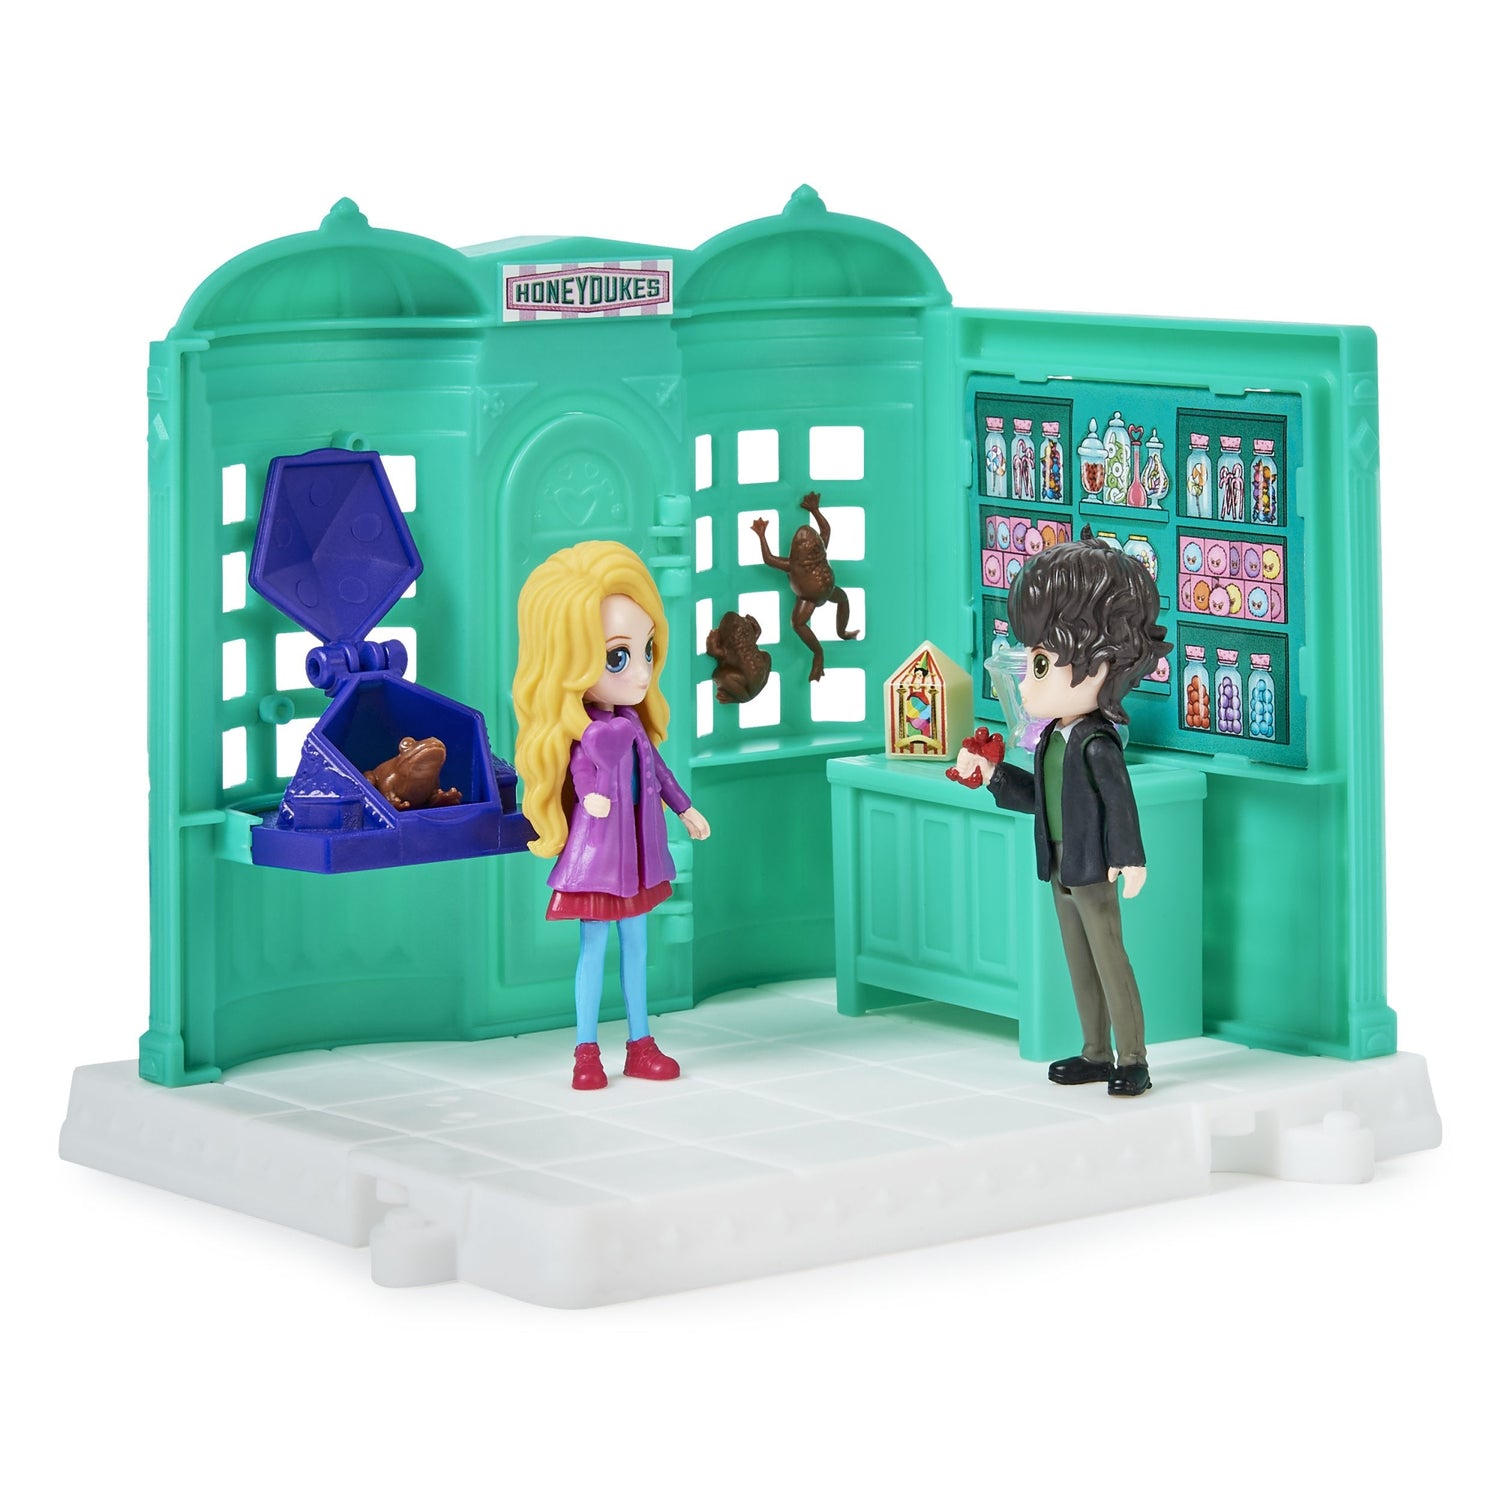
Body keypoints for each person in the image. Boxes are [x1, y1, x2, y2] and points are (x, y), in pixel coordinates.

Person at [955, 529, 1169, 1097]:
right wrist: (993, 775)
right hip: (1059, 865)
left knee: (1110, 958)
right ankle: (1096, 1051)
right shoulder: (1052, 738)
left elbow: (1119, 804)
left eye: (1041, 664)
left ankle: (1133, 1058)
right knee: (1079, 961)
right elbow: (1041, 798)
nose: (1028, 682)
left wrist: (1130, 858)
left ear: (1098, 663)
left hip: (1094, 868)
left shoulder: (1098, 743)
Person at [513, 541, 711, 1090]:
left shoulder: (633, 725)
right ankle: (585, 1051)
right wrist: (591, 797)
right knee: (593, 951)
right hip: (599, 859)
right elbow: (581, 771)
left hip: (639, 856)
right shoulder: (589, 733)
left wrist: (685, 808)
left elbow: (659, 772)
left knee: (638, 947)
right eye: (618, 658)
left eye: (647, 650)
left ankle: (640, 1043)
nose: (642, 673)